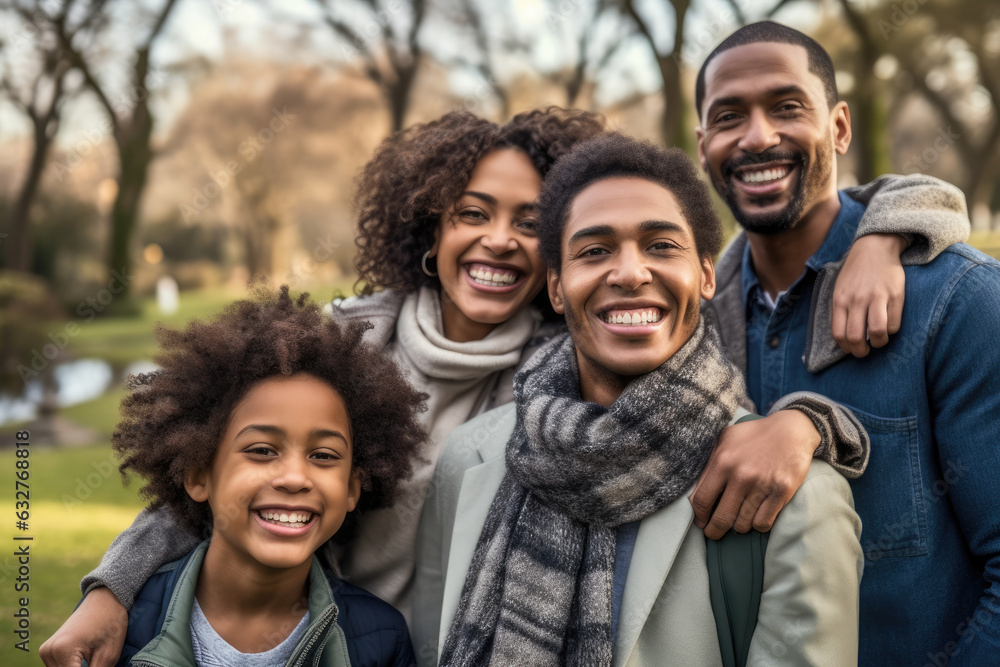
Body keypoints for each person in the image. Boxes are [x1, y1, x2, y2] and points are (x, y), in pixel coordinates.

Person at [40, 104, 960, 665]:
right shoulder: (345, 345)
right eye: (471, 214)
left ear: (554, 254)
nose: (498, 241)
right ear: (427, 231)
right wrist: (111, 585)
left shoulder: (579, 354)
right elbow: (219, 477)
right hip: (332, 644)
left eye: (529, 220)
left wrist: (813, 403)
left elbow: (725, 358)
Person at [413, 133, 863, 666]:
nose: (629, 273)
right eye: (595, 250)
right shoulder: (469, 459)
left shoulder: (798, 498)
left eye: (661, 246)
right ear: (557, 288)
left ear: (704, 274)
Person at [691, 21, 1000, 665]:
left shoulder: (957, 300)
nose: (757, 136)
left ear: (839, 127)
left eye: (786, 107)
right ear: (703, 146)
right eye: (729, 117)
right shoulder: (692, 331)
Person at [86, 286, 425, 666]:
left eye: (323, 455)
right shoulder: (119, 627)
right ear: (199, 475)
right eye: (262, 451)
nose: (295, 477)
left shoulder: (382, 641)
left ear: (351, 489)